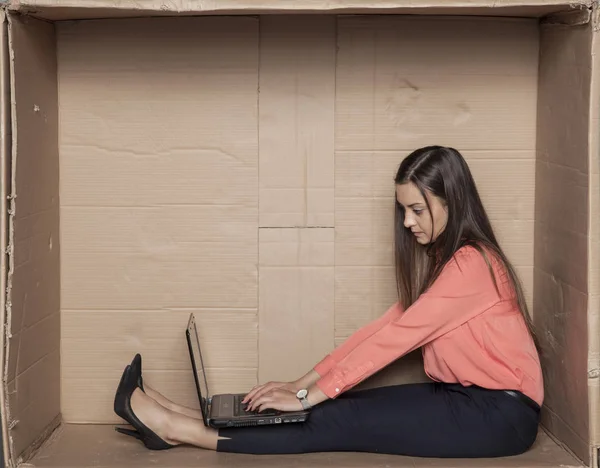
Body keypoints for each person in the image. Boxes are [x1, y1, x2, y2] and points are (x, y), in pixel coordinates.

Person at [113, 145, 543, 457]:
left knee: (334, 418)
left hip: (500, 416)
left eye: (417, 209)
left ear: (452, 202)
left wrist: (303, 399)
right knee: (337, 405)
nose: (408, 222)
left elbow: (394, 340)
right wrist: (299, 384)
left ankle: (174, 429)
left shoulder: (473, 265)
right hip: (465, 398)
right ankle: (181, 413)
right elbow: (378, 330)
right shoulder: (446, 262)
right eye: (403, 211)